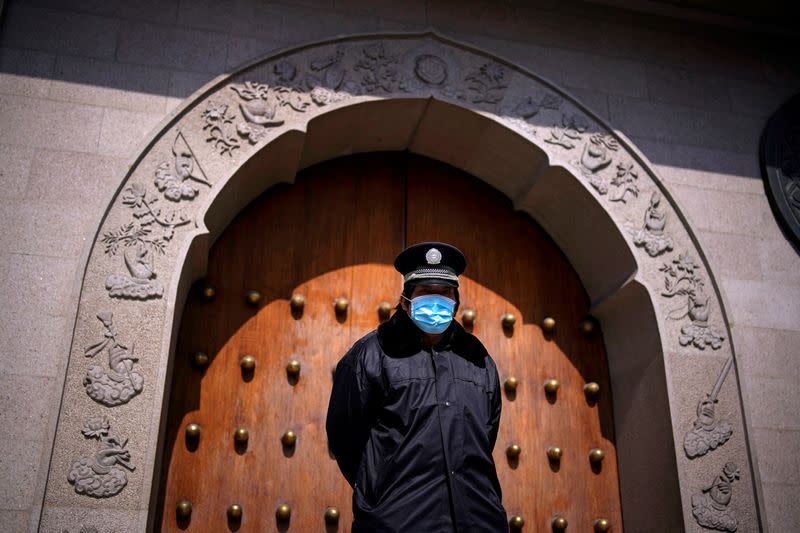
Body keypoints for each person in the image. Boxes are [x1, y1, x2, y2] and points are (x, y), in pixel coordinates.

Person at [326, 242, 509, 532]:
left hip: (478, 522)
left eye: (445, 293)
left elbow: (486, 434)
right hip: (398, 523)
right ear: (406, 298)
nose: (436, 301)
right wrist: (383, 494)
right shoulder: (371, 355)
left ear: (456, 301)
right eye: (426, 292)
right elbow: (345, 440)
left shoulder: (477, 358)